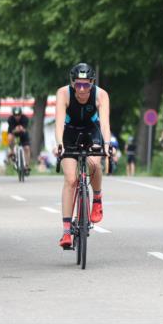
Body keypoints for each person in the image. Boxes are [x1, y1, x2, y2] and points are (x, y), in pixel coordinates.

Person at [53, 63, 113, 249]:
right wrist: (60, 145)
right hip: (69, 132)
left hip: (91, 131)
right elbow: (59, 123)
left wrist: (107, 145)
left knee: (94, 163)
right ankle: (66, 232)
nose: (81, 90)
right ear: (72, 84)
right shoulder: (63, 94)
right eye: (77, 85)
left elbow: (104, 125)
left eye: (86, 85)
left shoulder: (101, 95)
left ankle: (96, 197)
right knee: (70, 179)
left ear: (92, 83)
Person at [6, 106, 32, 175]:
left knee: (27, 148)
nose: (17, 117)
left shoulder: (25, 118)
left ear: (21, 114)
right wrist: (16, 129)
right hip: (13, 132)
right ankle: (12, 151)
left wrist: (21, 129)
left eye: (18, 115)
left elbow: (25, 129)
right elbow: (11, 130)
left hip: (23, 133)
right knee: (9, 138)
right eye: (15, 115)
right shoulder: (10, 119)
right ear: (13, 115)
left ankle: (26, 166)